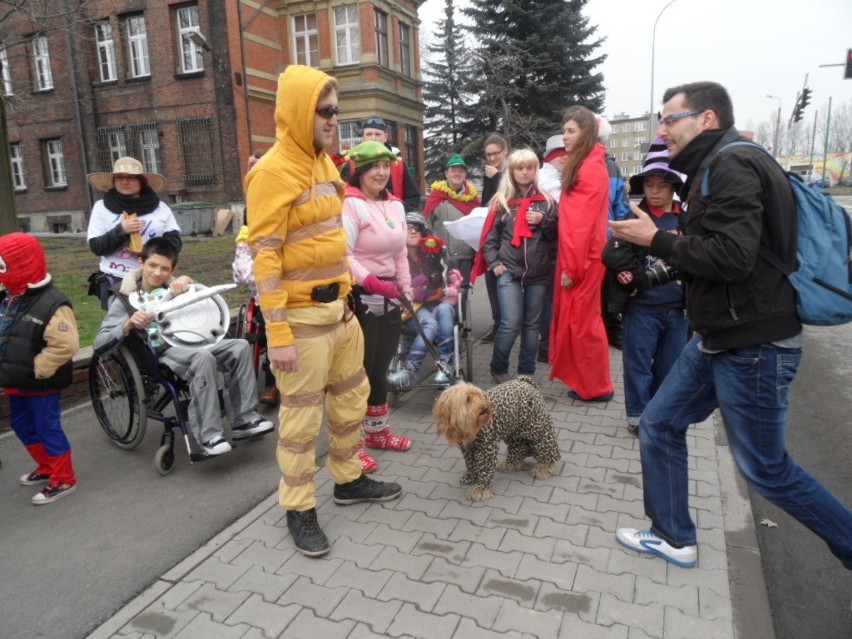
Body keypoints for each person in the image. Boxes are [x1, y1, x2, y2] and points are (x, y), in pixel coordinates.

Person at [611, 81, 852, 570]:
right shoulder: (712, 167)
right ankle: (674, 535)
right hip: (721, 337)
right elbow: (714, 250)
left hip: (755, 343)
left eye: (669, 118)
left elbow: (733, 256)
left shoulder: (734, 163)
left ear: (706, 119)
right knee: (658, 425)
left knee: (766, 470)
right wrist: (661, 262)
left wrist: (656, 239)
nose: (662, 129)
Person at [244, 65, 402, 558]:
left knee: (352, 402)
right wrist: (279, 334)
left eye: (336, 110)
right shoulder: (271, 172)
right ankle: (298, 508)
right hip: (302, 324)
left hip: (340, 315)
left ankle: (348, 479)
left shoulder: (327, 166)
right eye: (326, 110)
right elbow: (264, 257)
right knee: (301, 424)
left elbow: (334, 241)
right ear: (299, 111)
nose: (335, 120)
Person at [94, 237, 274, 455]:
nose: (158, 273)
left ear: (172, 269)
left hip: (192, 340)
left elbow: (202, 310)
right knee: (202, 358)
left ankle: (244, 420)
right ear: (142, 263)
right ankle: (209, 436)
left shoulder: (176, 287)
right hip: (160, 351)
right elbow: (100, 343)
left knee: (240, 347)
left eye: (165, 268)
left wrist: (187, 281)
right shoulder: (123, 298)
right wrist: (128, 324)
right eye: (152, 265)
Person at [602, 137, 688, 437]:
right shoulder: (634, 217)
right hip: (642, 309)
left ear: (673, 187)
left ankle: (658, 413)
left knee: (669, 368)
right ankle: (638, 415)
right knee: (638, 365)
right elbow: (611, 253)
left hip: (678, 310)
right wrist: (642, 280)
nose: (654, 190)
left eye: (661, 184)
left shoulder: (685, 220)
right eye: (649, 184)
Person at [342, 140, 414, 473]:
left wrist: (407, 290)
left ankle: (378, 432)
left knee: (382, 363)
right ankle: (352, 445)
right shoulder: (351, 205)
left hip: (390, 293)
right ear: (359, 171)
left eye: (386, 166)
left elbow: (400, 253)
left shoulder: (396, 206)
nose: (382, 173)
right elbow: (346, 255)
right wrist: (371, 282)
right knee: (360, 370)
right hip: (362, 293)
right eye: (374, 167)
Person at [0, 233, 80, 505]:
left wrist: (37, 368)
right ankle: (47, 466)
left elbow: (66, 345)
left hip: (41, 381)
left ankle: (65, 477)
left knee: (47, 428)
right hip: (18, 379)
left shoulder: (52, 303)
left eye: (3, 266)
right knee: (22, 424)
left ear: (20, 264)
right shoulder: (10, 296)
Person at [549, 106, 614, 402]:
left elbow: (580, 226)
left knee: (584, 324)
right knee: (582, 322)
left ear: (586, 133)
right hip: (583, 258)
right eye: (564, 130)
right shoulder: (588, 164)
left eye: (571, 131)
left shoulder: (588, 169)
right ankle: (586, 382)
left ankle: (597, 386)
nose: (565, 136)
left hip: (582, 261)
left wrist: (571, 269)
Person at [477, 149, 557, 382]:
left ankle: (526, 372)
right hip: (509, 272)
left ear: (536, 170)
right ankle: (499, 368)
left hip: (538, 274)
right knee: (510, 323)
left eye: (529, 167)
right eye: (519, 168)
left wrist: (544, 222)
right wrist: (495, 263)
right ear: (511, 171)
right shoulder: (501, 203)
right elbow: (489, 240)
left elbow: (558, 238)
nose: (525, 172)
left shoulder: (547, 203)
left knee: (532, 326)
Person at [86, 157, 182, 310]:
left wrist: (147, 252)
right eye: (119, 177)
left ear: (141, 181)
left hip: (153, 277)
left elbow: (174, 243)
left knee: (155, 322)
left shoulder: (160, 208)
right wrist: (121, 231)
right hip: (115, 278)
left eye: (131, 177)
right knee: (123, 327)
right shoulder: (101, 207)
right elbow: (97, 246)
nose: (124, 182)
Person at [387, 212, 462, 388]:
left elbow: (441, 283)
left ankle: (445, 366)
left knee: (444, 310)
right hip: (410, 308)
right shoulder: (396, 259)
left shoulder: (433, 254)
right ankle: (410, 370)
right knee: (430, 324)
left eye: (416, 229)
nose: (412, 232)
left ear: (423, 233)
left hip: (436, 304)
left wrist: (436, 258)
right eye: (408, 229)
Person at [232, 225, 278, 404]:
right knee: (271, 323)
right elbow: (244, 275)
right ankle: (272, 382)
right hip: (267, 303)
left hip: (297, 297)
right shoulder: (246, 240)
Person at [341, 116, 421, 213]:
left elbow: (413, 198)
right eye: (369, 134)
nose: (373, 138)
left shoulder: (398, 164)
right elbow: (343, 195)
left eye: (378, 134)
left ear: (385, 137)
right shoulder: (351, 164)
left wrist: (397, 214)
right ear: (363, 137)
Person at [598, 116, 631, 350]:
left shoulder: (611, 167)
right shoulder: (576, 166)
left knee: (612, 288)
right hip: (586, 242)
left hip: (608, 239)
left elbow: (621, 205)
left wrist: (620, 235)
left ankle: (614, 330)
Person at [423, 154, 482, 284]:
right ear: (446, 173)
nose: (457, 173)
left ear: (465, 174)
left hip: (464, 257)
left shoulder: (472, 199)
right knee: (441, 295)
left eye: (461, 171)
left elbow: (478, 229)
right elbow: (425, 226)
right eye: (453, 170)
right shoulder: (435, 197)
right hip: (441, 258)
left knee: (463, 295)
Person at [536, 134, 567, 362]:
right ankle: (547, 347)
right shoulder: (546, 184)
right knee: (549, 302)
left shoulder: (565, 181)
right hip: (549, 252)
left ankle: (553, 345)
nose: (564, 159)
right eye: (560, 156)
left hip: (563, 251)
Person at [479, 134, 510, 343]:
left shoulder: (513, 169)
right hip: (493, 235)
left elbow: (511, 196)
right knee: (491, 278)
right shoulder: (489, 173)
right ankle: (498, 322)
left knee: (509, 283)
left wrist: (498, 176)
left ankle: (510, 324)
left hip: (509, 236)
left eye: (495, 154)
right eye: (488, 155)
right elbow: (486, 203)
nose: (491, 159)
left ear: (505, 151)